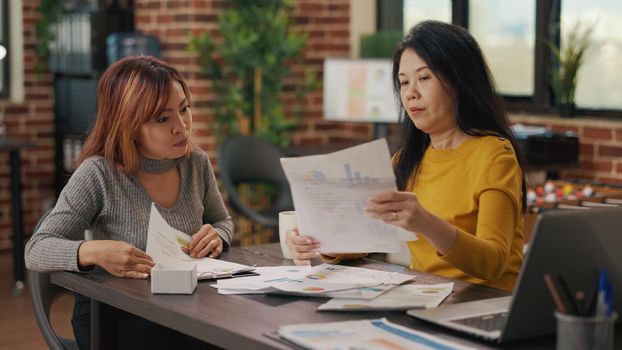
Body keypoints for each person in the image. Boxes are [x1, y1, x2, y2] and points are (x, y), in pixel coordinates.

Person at [286, 20, 526, 292]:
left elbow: (492, 263)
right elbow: (364, 236)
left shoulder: (495, 155)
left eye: (424, 78)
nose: (411, 93)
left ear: (459, 81)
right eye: (403, 83)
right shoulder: (406, 160)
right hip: (431, 298)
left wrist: (425, 222)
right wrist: (318, 243)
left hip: (487, 305)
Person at [25, 55, 233, 349]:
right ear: (129, 124)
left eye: (184, 109)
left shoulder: (195, 163)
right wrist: (94, 251)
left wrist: (218, 236)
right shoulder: (99, 173)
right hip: (115, 316)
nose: (182, 127)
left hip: (186, 307)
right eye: (163, 118)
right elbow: (36, 249)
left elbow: (222, 222)